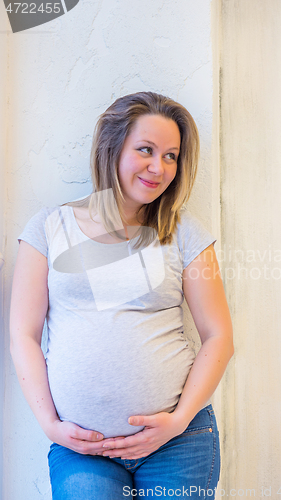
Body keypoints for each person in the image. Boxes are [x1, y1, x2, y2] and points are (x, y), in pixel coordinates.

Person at [10, 91, 234, 499]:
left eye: (171, 156)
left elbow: (219, 335)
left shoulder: (185, 232)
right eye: (146, 150)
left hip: (178, 441)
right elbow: (23, 333)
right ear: (111, 148)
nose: (159, 167)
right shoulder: (48, 228)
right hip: (82, 448)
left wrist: (180, 419)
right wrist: (49, 424)